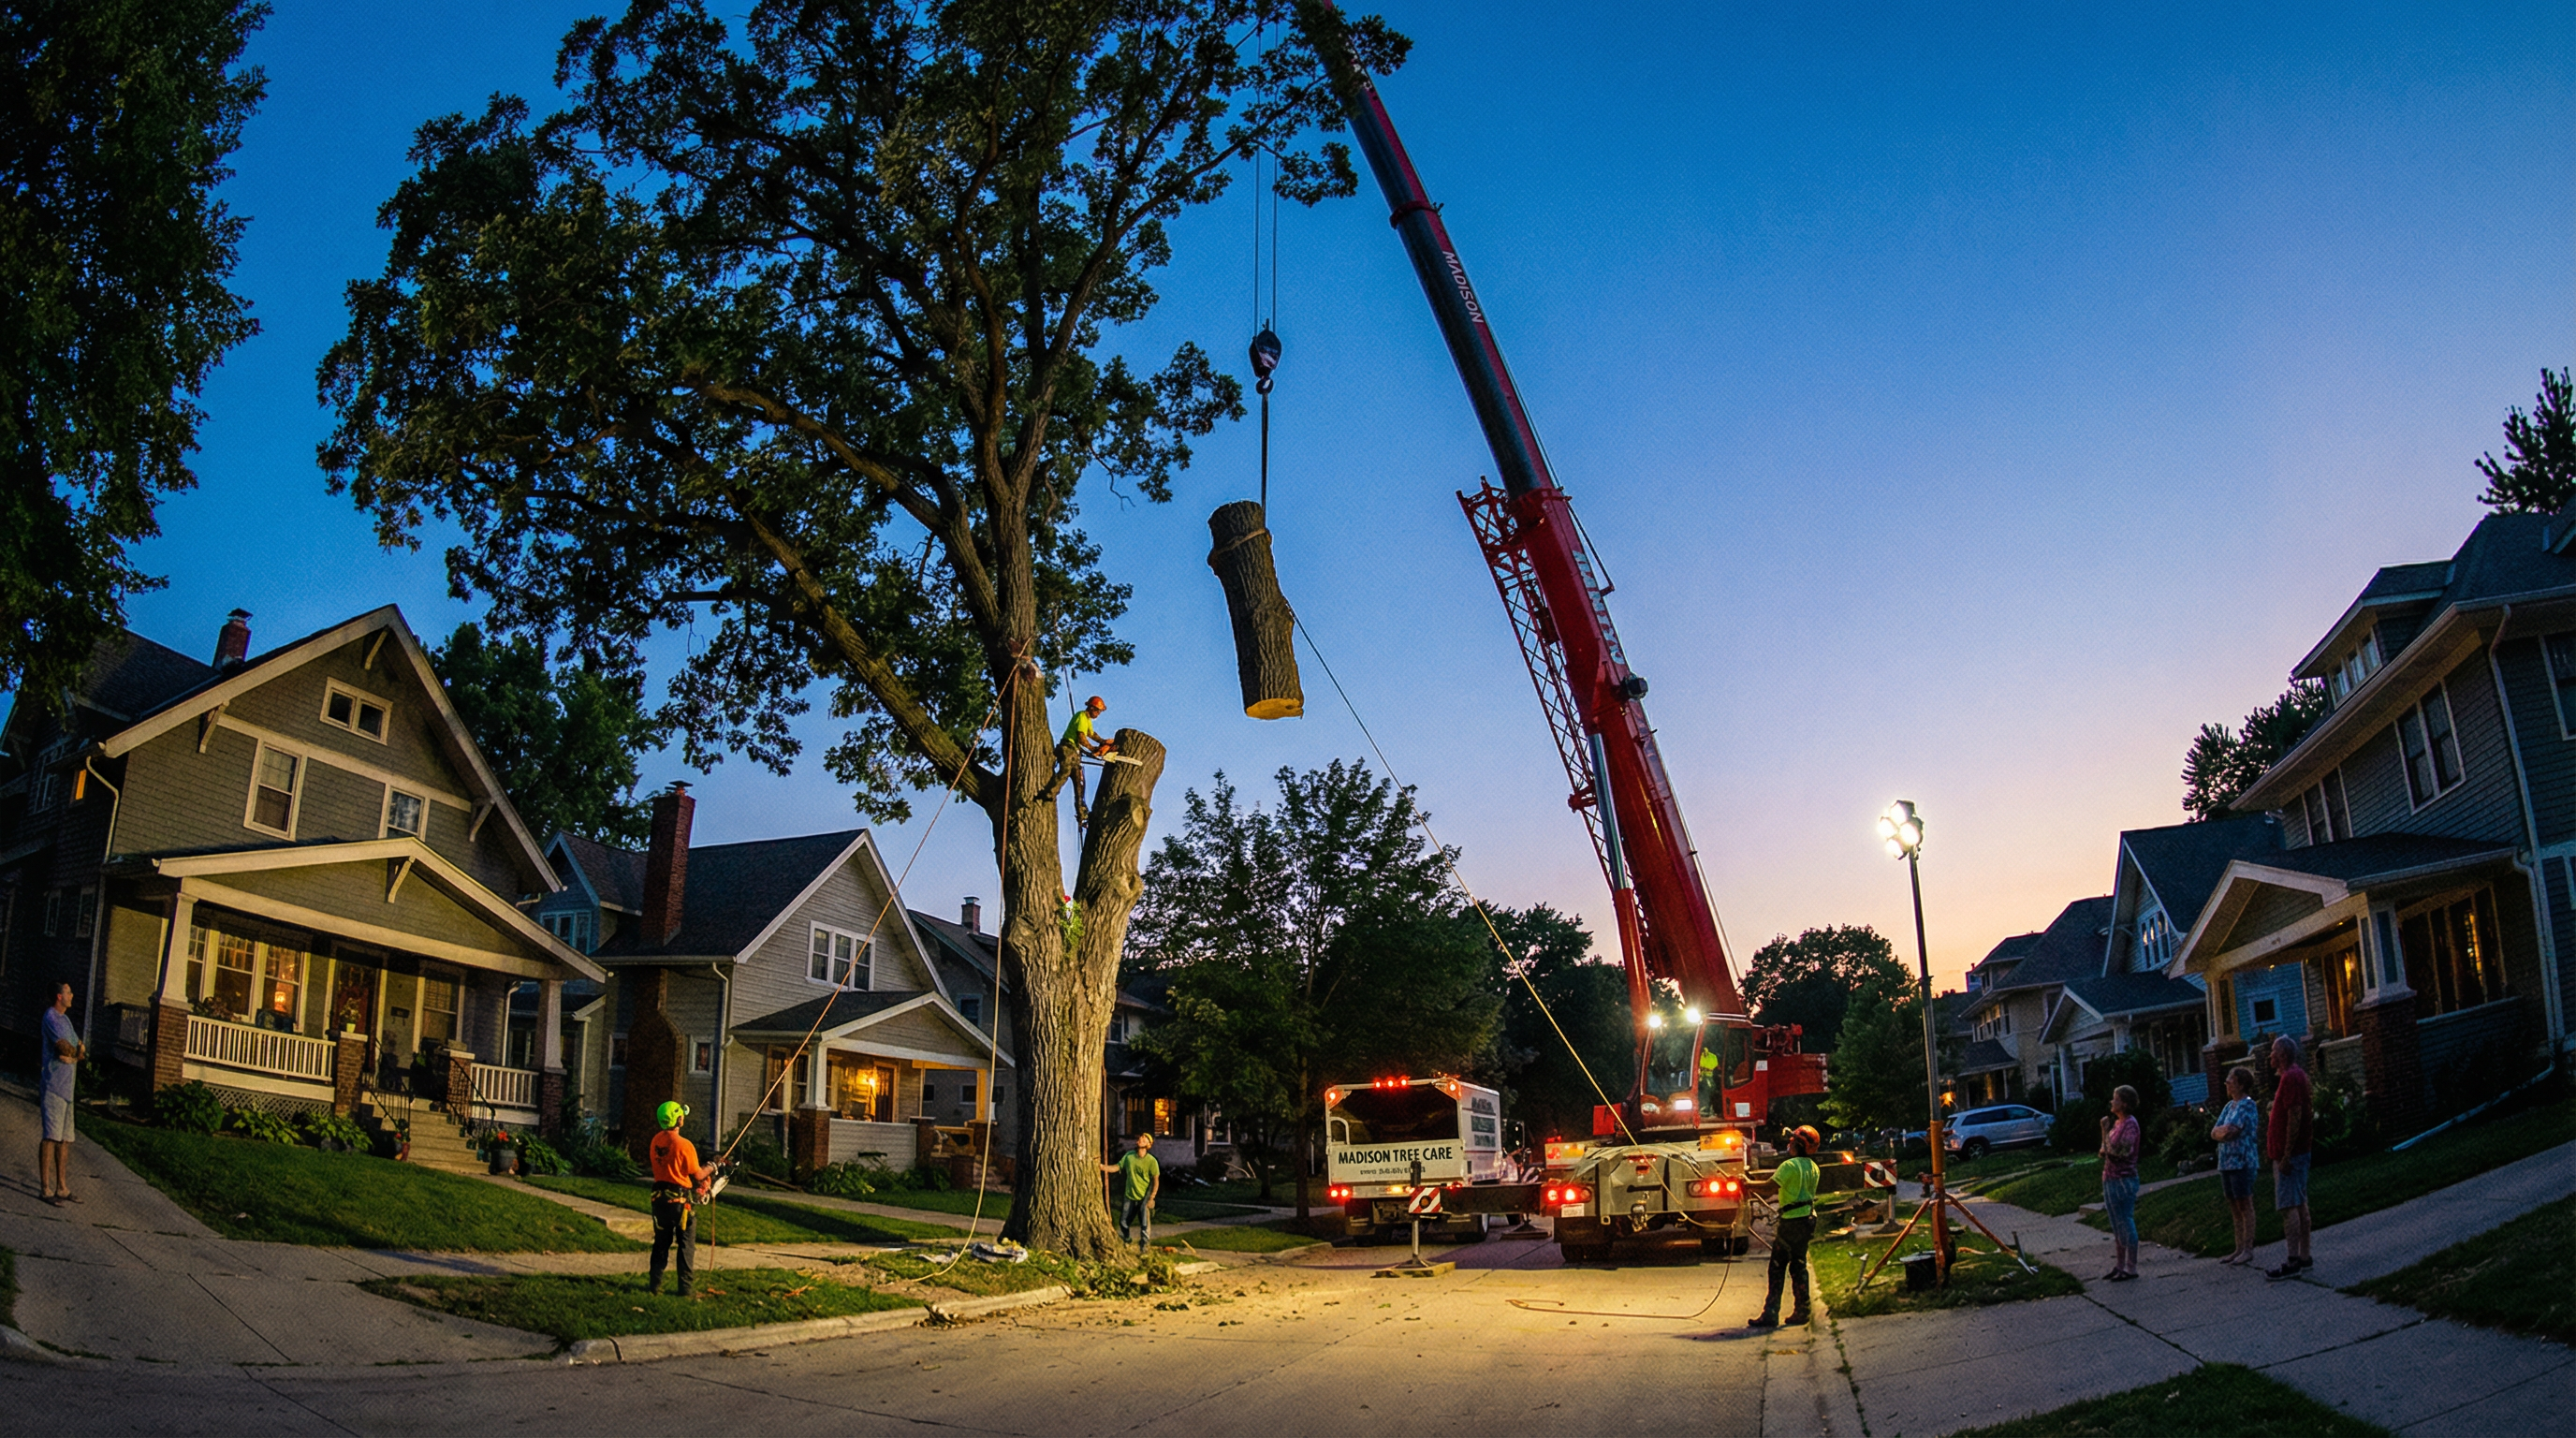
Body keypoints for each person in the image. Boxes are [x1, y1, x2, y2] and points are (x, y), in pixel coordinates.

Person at [1748, 1125, 1822, 1328]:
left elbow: (1769, 1188)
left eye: (1792, 1140)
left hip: (1791, 1223)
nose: (1788, 1143)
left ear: (1799, 1144)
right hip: (1807, 1220)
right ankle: (1802, 1310)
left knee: (1777, 1268)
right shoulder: (1813, 1167)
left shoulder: (1789, 1166)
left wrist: (1746, 1185)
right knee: (1798, 1266)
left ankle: (1770, 1314)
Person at [646, 1099, 711, 1297]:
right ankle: (686, 1289)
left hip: (659, 1200)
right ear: (679, 1119)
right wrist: (712, 1167)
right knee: (686, 1245)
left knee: (661, 1243)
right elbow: (698, 1175)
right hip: (680, 1203)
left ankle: (654, 1286)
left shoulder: (656, 1140)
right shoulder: (684, 1145)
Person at [2265, 1035, 2315, 1280]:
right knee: (2300, 1203)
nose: (2270, 1056)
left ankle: (2294, 1259)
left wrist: (2286, 1154)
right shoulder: (2293, 1076)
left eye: (2273, 1052)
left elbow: (2295, 1115)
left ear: (2282, 1055)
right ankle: (2304, 1256)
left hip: (2292, 1156)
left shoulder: (2291, 1077)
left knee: (2290, 1207)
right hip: (2295, 1153)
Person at [2210, 1066, 2261, 1266]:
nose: (2227, 1083)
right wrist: (2221, 1132)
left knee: (2244, 1204)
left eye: (2230, 1079)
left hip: (2242, 1161)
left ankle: (2248, 1249)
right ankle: (2238, 1247)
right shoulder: (2228, 1107)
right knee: (2233, 1205)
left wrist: (2224, 1132)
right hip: (2226, 1162)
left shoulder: (2247, 1105)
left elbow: (2234, 1130)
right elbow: (2215, 1131)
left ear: (2240, 1083)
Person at [39, 982, 82, 1205]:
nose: (71, 995)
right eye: (68, 992)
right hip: (53, 1087)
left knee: (64, 1140)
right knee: (50, 1137)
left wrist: (75, 1053)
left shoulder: (66, 1020)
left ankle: (62, 1188)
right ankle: (45, 1188)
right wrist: (74, 1052)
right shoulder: (52, 1018)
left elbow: (80, 1049)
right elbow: (64, 1047)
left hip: (68, 1090)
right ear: (59, 996)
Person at [2099, 1084, 2141, 1282]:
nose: (2111, 1101)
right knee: (2117, 1225)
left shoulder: (2130, 1125)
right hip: (2110, 1178)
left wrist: (2105, 1133)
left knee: (2125, 1222)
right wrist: (2105, 1133)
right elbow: (2105, 1149)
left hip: (2124, 1180)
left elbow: (2120, 1152)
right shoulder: (2117, 1124)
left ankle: (2131, 1267)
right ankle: (2119, 1264)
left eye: (2115, 1098)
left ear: (2124, 1103)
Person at [1057, 696, 1115, 827]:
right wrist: (1093, 748)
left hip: (1074, 750)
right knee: (1077, 781)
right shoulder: (1082, 717)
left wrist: (1102, 742)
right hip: (1069, 748)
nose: (1098, 714)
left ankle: (1082, 813)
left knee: (1080, 784)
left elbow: (1091, 734)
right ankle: (1081, 813)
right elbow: (1082, 738)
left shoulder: (1087, 720)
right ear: (1092, 708)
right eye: (1098, 711)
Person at [1100, 1131, 1159, 1255]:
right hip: (1129, 1194)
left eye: (1145, 1138)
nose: (1141, 1138)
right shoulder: (1129, 1156)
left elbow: (1156, 1181)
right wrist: (1103, 1167)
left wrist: (1152, 1197)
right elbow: (1117, 1167)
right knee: (1123, 1222)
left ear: (1149, 1145)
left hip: (1144, 1195)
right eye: (1141, 1136)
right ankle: (1127, 1239)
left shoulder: (1151, 1161)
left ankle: (1144, 1248)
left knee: (1144, 1223)